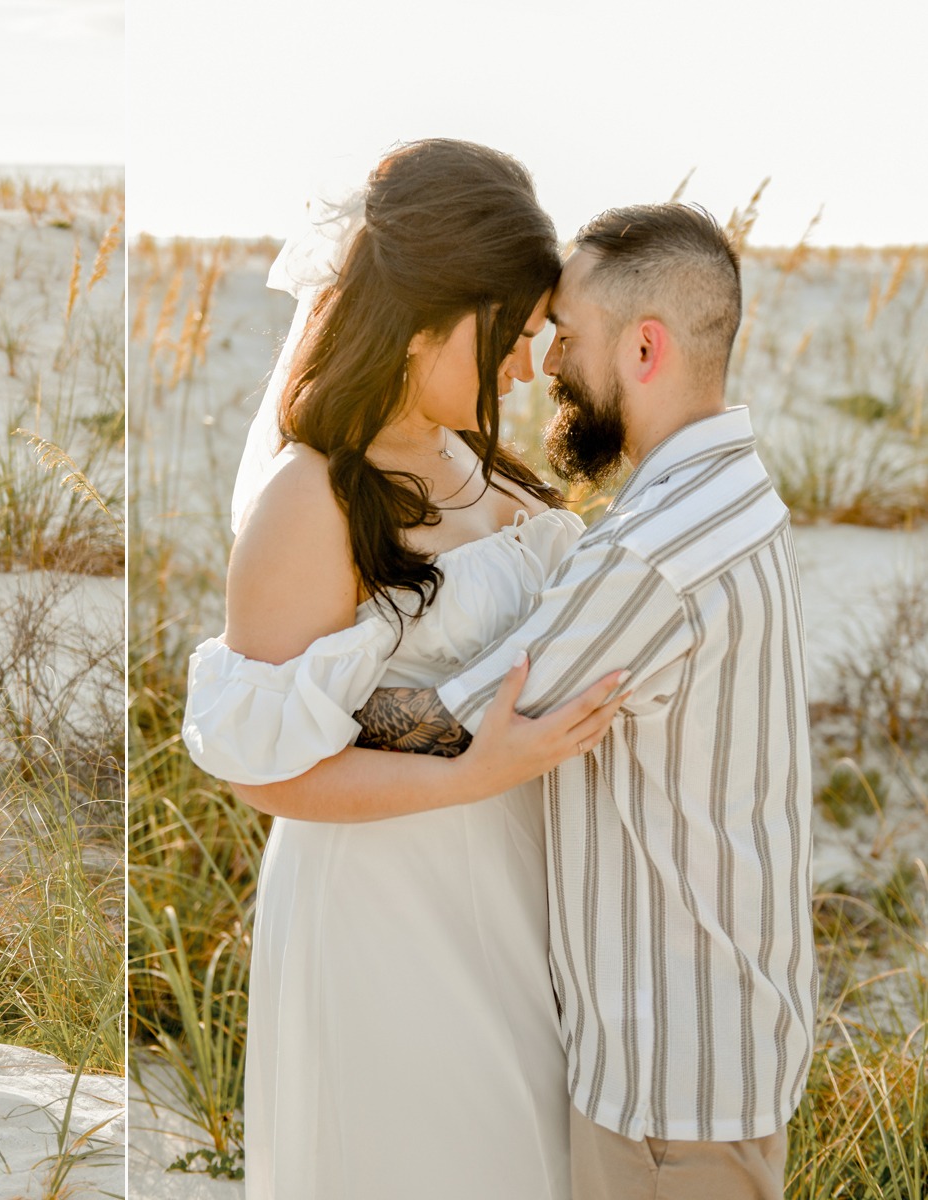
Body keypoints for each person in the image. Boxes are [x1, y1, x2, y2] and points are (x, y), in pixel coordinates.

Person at [181, 140, 628, 1199]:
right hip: (383, 908)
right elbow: (263, 769)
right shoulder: (312, 499)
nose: (527, 367)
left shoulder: (474, 457)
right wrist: (472, 773)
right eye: (513, 336)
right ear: (433, 316)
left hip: (511, 887)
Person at [353, 204, 815, 1200]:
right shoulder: (729, 492)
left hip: (669, 1088)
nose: (545, 358)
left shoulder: (654, 552)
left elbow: (465, 720)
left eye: (563, 330)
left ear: (642, 347)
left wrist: (292, 701)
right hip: (719, 1048)